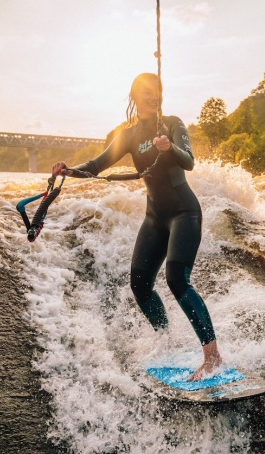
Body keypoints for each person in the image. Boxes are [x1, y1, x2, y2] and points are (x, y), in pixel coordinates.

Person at [51, 73, 221, 381]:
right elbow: (96, 166)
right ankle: (166, 340)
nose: (153, 95)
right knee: (140, 284)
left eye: (157, 90)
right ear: (134, 95)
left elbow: (189, 161)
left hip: (184, 211)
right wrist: (69, 170)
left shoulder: (171, 123)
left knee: (176, 280)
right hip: (154, 217)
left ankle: (212, 356)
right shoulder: (128, 135)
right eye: (146, 91)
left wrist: (168, 147)